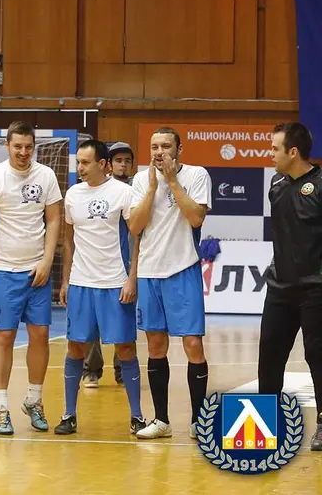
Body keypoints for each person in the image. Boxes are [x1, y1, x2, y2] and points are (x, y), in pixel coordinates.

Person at [0, 121, 62, 435]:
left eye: (29, 147)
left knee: (40, 334)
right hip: (3, 270)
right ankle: (1, 407)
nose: (24, 152)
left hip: (37, 271)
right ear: (7, 145)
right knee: (4, 337)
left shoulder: (46, 175)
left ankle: (34, 400)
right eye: (18, 147)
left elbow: (54, 220)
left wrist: (47, 261)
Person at [128, 127, 211, 440]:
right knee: (155, 345)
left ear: (179, 149)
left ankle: (199, 421)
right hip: (150, 271)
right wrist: (152, 188)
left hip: (183, 268)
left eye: (165, 146)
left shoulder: (196, 175)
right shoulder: (141, 180)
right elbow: (135, 226)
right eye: (154, 147)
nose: (159, 152)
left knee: (193, 345)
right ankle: (161, 420)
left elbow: (196, 218)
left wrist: (172, 181)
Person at [58, 140, 145, 435]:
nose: (80, 168)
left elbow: (136, 238)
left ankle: (137, 416)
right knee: (75, 347)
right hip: (81, 283)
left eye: (85, 163)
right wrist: (66, 279)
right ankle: (69, 415)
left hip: (115, 282)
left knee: (125, 348)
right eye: (78, 163)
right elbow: (68, 239)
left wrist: (132, 278)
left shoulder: (123, 193)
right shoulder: (73, 194)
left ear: (103, 165)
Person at [259, 122, 322, 451]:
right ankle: (265, 422)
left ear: (293, 152)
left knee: (318, 356)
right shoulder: (276, 184)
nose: (270, 154)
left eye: (275, 148)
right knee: (270, 354)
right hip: (279, 288)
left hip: (316, 288)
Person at [81, 141, 136, 387]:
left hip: (126, 265)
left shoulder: (136, 190)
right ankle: (91, 369)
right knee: (92, 322)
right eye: (118, 160)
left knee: (124, 321)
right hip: (93, 267)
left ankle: (123, 370)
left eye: (127, 161)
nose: (123, 165)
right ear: (108, 165)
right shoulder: (90, 190)